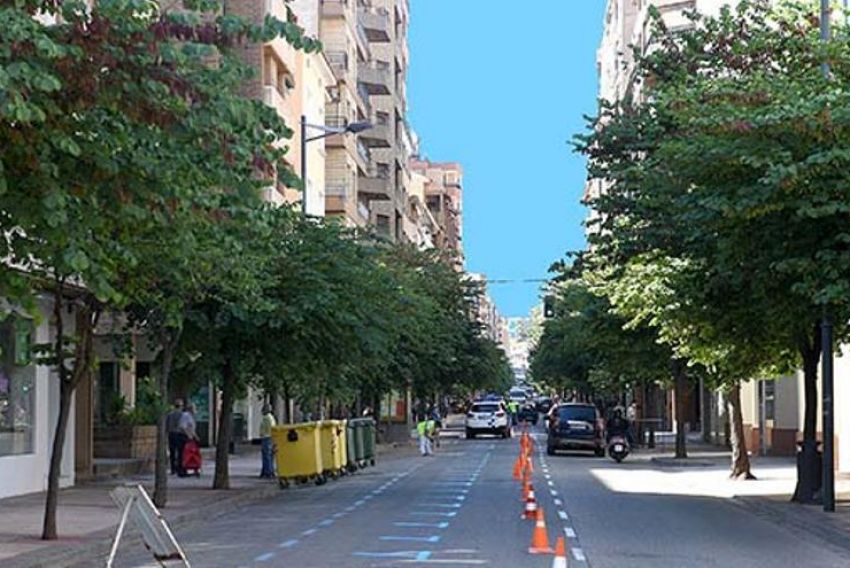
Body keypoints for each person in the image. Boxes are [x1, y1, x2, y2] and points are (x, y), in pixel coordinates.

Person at [177, 403, 198, 477]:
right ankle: (181, 471)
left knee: (187, 454)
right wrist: (189, 435)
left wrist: (195, 436)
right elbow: (183, 427)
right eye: (194, 408)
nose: (195, 410)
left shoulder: (191, 416)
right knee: (182, 453)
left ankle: (185, 469)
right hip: (183, 436)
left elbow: (191, 427)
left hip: (189, 437)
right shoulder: (186, 415)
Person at [166, 399, 184, 475]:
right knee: (180, 452)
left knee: (172, 452)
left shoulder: (170, 414)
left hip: (171, 434)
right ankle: (180, 468)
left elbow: (167, 425)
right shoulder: (182, 415)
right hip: (179, 434)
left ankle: (173, 469)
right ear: (180, 406)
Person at [259, 404, 276, 478]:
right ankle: (269, 471)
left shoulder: (266, 418)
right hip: (270, 437)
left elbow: (266, 428)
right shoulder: (271, 418)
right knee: (269, 456)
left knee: (266, 456)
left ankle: (267, 472)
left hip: (266, 437)